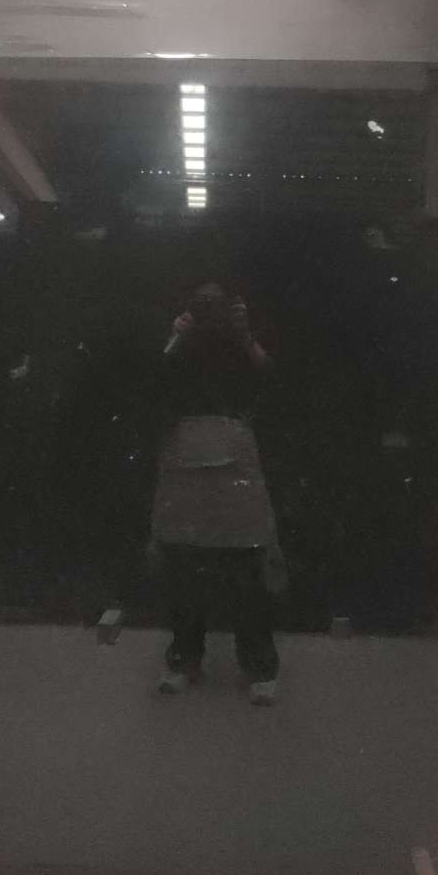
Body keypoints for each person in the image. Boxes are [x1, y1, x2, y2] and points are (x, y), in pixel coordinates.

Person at [150, 281, 281, 705]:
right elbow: (152, 383)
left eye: (217, 306)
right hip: (186, 450)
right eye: (203, 306)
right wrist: (176, 336)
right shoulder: (181, 341)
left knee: (247, 565)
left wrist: (244, 336)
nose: (211, 315)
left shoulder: (244, 338)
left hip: (236, 450)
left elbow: (272, 377)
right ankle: (184, 660)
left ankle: (259, 665)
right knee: (184, 562)